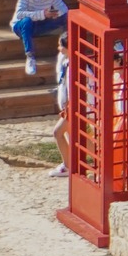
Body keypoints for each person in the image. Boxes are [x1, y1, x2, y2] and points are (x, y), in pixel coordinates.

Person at [10, 0, 67, 75]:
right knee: (27, 21)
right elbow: (20, 14)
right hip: (22, 26)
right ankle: (30, 57)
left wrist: (56, 14)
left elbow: (64, 9)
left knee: (67, 17)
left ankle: (67, 48)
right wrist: (42, 14)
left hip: (40, 25)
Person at [49, 31, 72, 177]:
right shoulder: (65, 60)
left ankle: (68, 166)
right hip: (67, 106)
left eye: (60, 45)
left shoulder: (77, 65)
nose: (58, 48)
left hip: (75, 108)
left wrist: (69, 107)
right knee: (75, 138)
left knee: (57, 132)